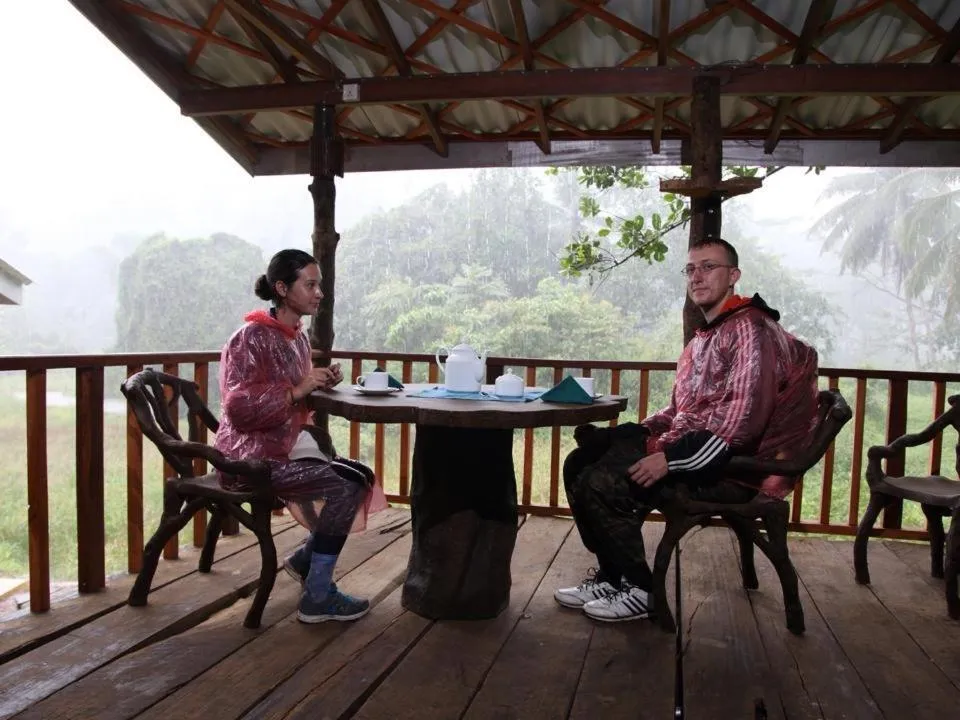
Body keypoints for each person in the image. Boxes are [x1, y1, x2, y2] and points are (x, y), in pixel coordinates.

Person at [555, 238, 819, 622]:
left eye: (709, 267)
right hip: (698, 450)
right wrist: (631, 434)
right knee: (580, 461)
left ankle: (642, 589)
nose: (697, 276)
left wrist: (671, 461)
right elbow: (681, 411)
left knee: (602, 481)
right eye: (691, 269)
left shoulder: (750, 329)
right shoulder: (707, 335)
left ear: (734, 276)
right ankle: (613, 576)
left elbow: (742, 425)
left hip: (736, 469)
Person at [214, 248, 387, 624]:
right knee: (344, 488)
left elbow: (295, 391)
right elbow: (238, 409)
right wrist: (297, 390)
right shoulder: (250, 337)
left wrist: (317, 381)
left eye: (318, 284)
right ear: (281, 287)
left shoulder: (297, 338)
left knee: (359, 475)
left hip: (285, 448)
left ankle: (306, 560)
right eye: (310, 284)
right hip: (252, 459)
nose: (319, 292)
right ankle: (318, 596)